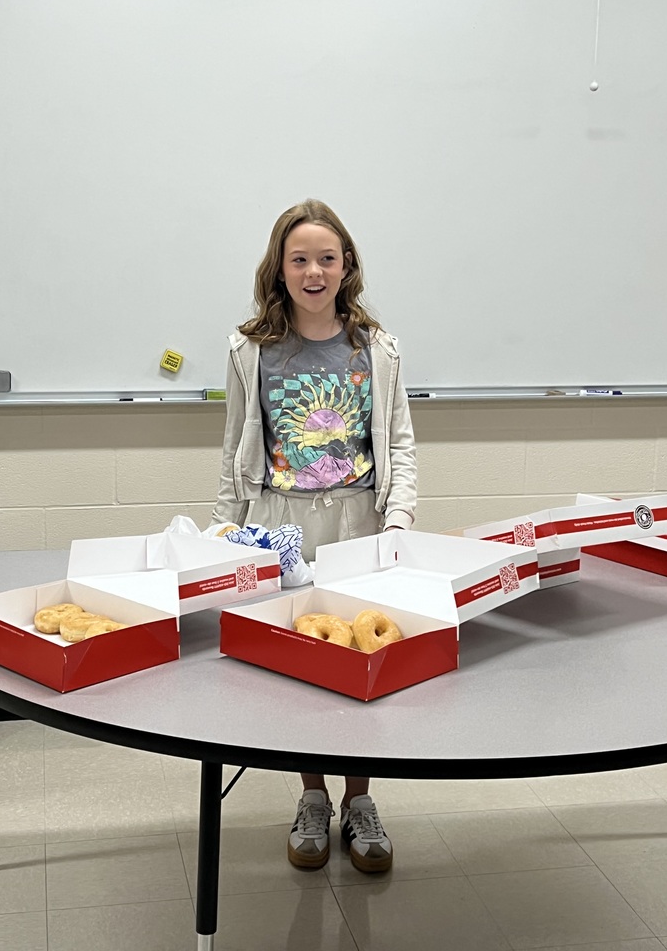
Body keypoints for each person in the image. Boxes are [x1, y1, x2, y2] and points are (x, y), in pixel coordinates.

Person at [211, 199, 416, 873]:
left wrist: (399, 521)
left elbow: (400, 443)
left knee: (361, 660)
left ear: (347, 265)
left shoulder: (377, 348)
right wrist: (223, 529)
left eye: (327, 258)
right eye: (299, 259)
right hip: (281, 524)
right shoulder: (250, 349)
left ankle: (360, 799)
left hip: (359, 521)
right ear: (280, 268)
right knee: (301, 667)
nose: (314, 271)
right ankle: (312, 796)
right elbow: (233, 448)